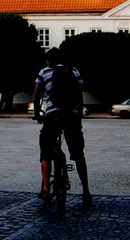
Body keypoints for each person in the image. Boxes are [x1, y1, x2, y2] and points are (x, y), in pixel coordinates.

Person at [34, 48, 93, 210]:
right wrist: (78, 116)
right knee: (78, 154)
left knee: (45, 148)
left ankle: (46, 188)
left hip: (52, 115)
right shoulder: (73, 71)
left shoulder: (44, 71)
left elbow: (37, 94)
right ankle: (86, 191)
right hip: (71, 115)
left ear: (48, 60)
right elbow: (80, 94)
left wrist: (37, 113)